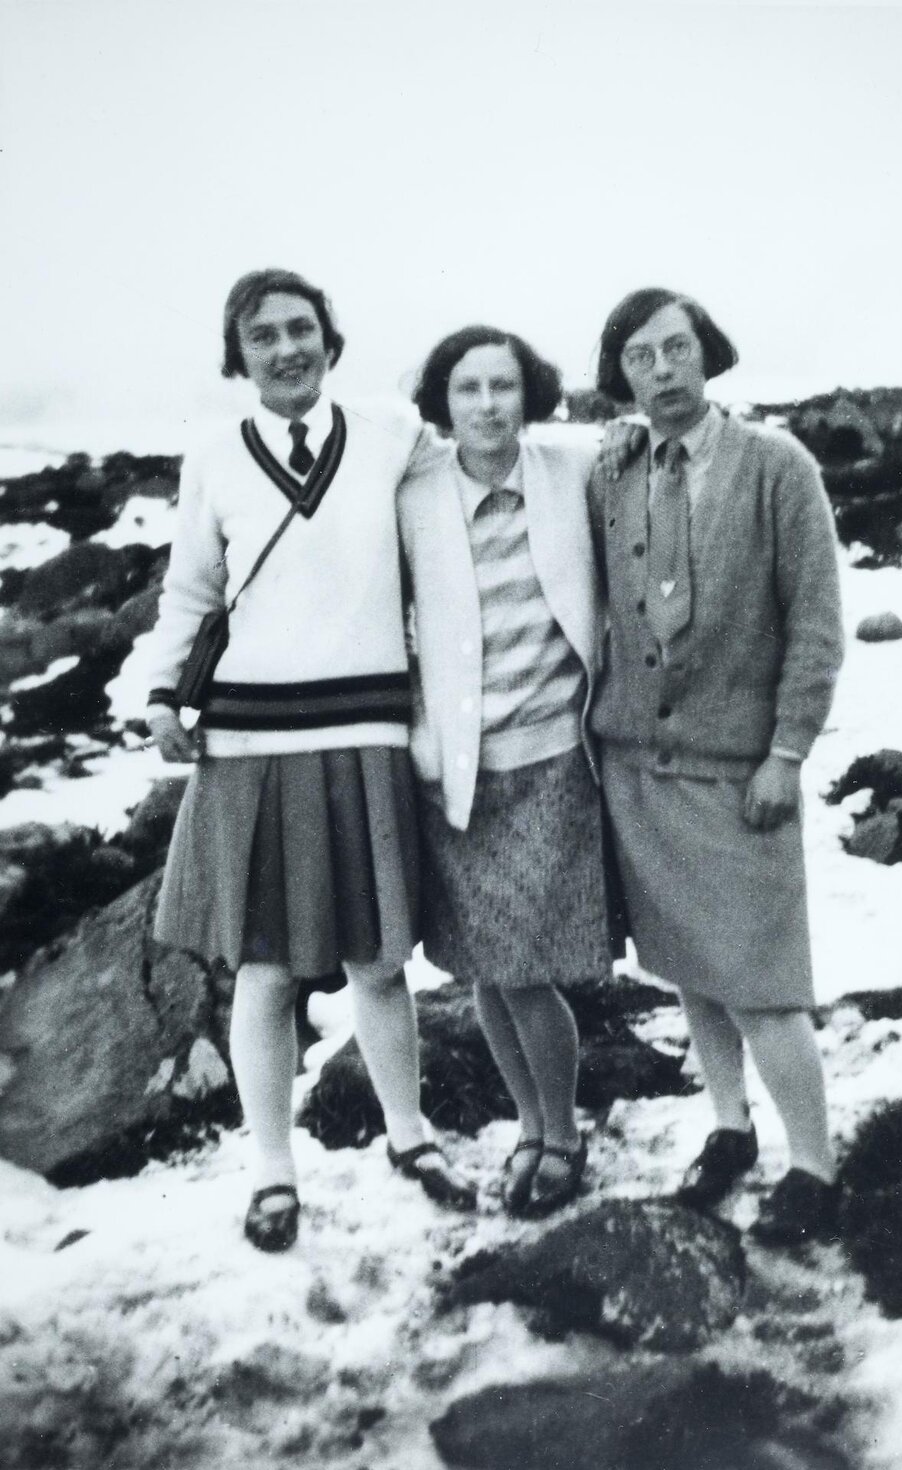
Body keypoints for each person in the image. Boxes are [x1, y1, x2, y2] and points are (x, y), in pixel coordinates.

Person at [145, 269, 475, 1253]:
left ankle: (409, 1137)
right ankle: (272, 1172)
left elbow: (487, 468)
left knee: (379, 963)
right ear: (236, 356)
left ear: (329, 341)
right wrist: (163, 694)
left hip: (365, 733)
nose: (284, 349)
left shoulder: (391, 439)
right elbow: (190, 595)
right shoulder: (213, 458)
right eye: (261, 337)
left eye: (300, 329)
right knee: (268, 972)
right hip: (251, 744)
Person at [589, 287, 845, 1244]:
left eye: (678, 348)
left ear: (710, 355)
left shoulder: (778, 466)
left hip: (743, 775)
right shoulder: (611, 472)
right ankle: (730, 1131)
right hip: (638, 769)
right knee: (693, 967)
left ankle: (815, 1169)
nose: (664, 369)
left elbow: (817, 626)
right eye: (642, 357)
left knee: (765, 983)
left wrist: (789, 752)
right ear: (621, 378)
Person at [397, 325, 618, 1215]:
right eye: (467, 389)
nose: (487, 405)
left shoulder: (574, 472)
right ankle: (531, 1124)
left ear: (529, 394)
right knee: (486, 968)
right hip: (459, 773)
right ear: (442, 405)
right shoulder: (412, 494)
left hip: (555, 760)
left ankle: (562, 1132)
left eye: (502, 386)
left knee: (524, 965)